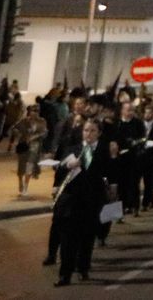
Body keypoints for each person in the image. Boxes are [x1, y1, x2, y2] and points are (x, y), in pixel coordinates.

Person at [53, 116, 112, 285]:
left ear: (99, 133)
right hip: (71, 201)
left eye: (93, 131)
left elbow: (108, 172)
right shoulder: (73, 149)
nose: (88, 134)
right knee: (68, 239)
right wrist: (67, 166)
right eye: (86, 130)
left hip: (92, 200)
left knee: (87, 237)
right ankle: (65, 274)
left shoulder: (103, 151)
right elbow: (59, 170)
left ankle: (83, 268)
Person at [12, 102, 49, 194]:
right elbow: (14, 128)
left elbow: (44, 132)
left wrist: (35, 136)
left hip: (34, 146)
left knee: (30, 165)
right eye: (33, 110)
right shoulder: (24, 121)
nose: (35, 113)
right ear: (29, 111)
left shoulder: (42, 121)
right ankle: (20, 182)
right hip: (23, 145)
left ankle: (25, 186)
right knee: (21, 166)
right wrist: (18, 133)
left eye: (37, 111)